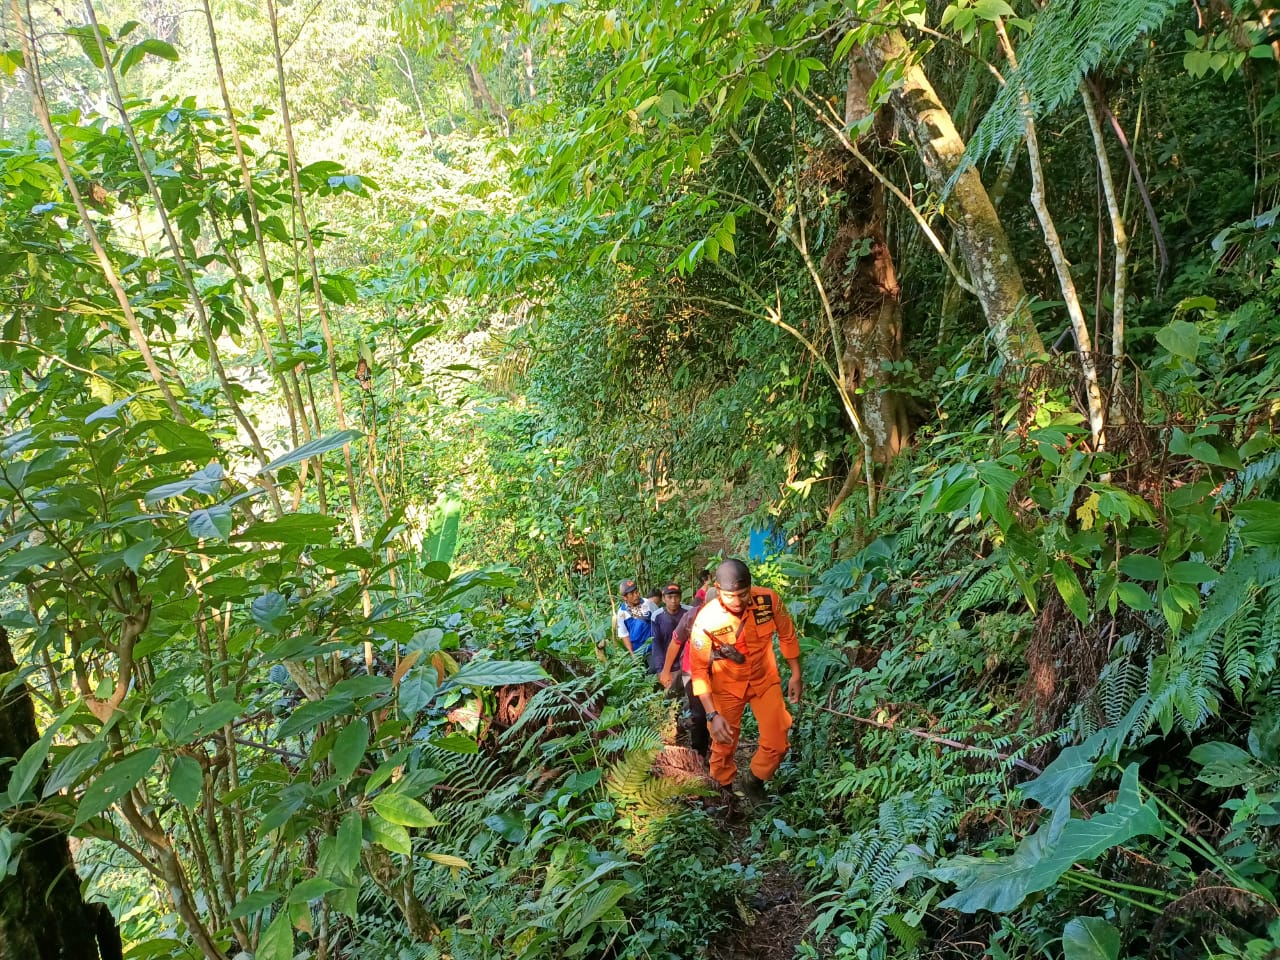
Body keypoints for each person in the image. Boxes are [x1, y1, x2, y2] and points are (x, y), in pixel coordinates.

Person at [687, 559, 801, 804]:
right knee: (723, 744)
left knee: (778, 742)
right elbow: (698, 671)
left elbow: (787, 634)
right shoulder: (706, 621)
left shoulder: (768, 601)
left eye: (743, 594)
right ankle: (724, 794)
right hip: (726, 686)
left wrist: (795, 674)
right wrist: (711, 714)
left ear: (751, 587)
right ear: (718, 589)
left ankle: (754, 781)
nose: (738, 602)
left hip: (764, 680)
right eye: (730, 596)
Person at [659, 587, 712, 761]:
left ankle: (716, 750)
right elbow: (676, 642)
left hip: (719, 670)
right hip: (692, 669)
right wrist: (666, 670)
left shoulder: (733, 615)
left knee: (718, 710)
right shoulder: (691, 616)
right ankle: (699, 754)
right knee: (699, 713)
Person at [649, 583, 688, 676]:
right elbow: (656, 645)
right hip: (669, 666)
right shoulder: (657, 616)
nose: (673, 601)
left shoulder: (689, 613)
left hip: (687, 665)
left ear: (681, 597)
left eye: (676, 597)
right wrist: (661, 670)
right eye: (669, 597)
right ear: (663, 598)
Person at [615, 579, 659, 658]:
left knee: (653, 668)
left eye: (636, 592)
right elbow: (624, 635)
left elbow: (659, 618)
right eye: (632, 594)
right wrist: (631, 653)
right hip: (638, 651)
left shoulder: (647, 603)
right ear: (625, 597)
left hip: (653, 647)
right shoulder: (622, 613)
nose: (636, 595)